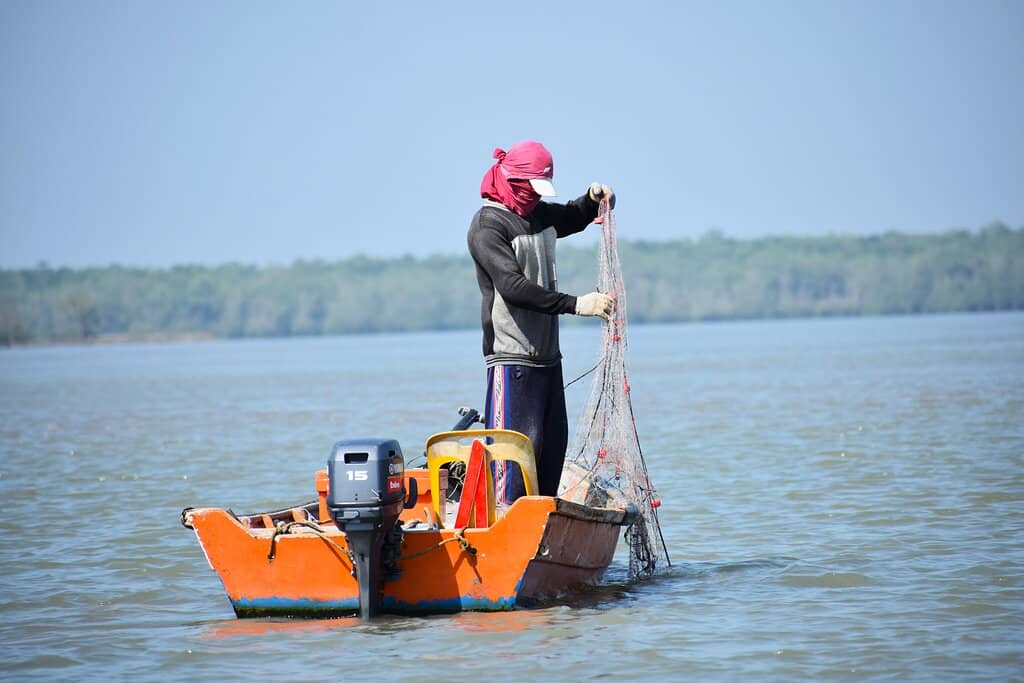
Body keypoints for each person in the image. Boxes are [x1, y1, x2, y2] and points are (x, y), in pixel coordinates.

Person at [466, 140, 615, 504]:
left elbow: (571, 216)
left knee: (548, 464)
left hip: (549, 362)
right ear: (514, 181)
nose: (535, 196)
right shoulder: (488, 226)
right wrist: (578, 304)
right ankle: (503, 544)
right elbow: (514, 288)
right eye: (530, 188)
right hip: (512, 362)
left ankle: (543, 544)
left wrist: (593, 198)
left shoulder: (537, 215)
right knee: (512, 469)